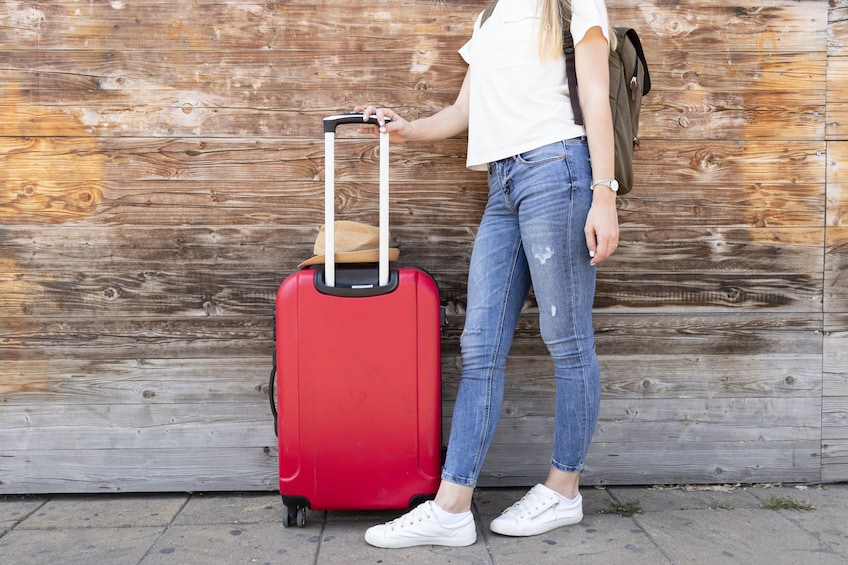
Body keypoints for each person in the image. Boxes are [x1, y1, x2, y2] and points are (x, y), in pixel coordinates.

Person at [355, 0, 619, 549]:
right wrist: (409, 129)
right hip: (502, 185)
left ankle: (564, 489)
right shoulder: (490, 16)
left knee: (567, 341)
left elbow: (596, 95)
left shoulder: (572, 3)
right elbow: (463, 111)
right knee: (480, 347)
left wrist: (604, 193)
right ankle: (451, 509)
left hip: (558, 170)